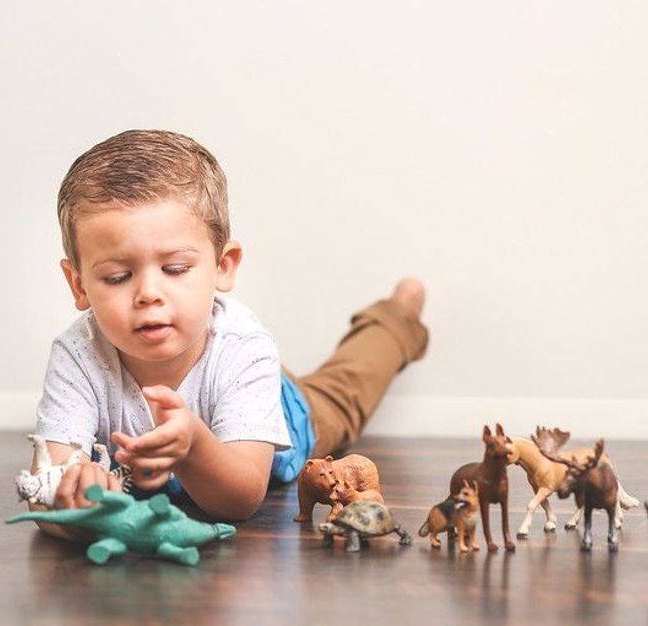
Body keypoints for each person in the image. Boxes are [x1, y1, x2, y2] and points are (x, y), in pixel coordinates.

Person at [29, 129, 428, 539]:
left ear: (224, 265)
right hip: (225, 376)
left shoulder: (245, 346)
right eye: (118, 277)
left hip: (276, 398)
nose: (149, 294)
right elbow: (47, 489)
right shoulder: (77, 355)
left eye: (175, 269)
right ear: (77, 284)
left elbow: (241, 499)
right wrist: (75, 501)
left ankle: (398, 312)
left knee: (348, 387)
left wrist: (193, 447)